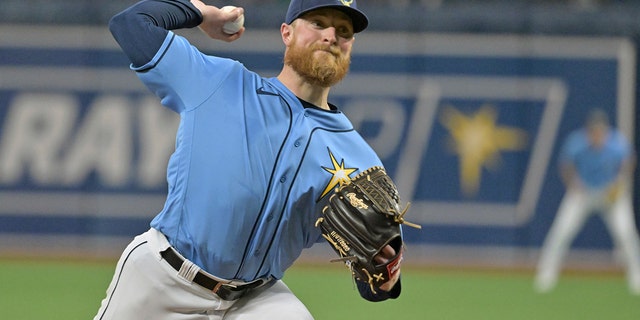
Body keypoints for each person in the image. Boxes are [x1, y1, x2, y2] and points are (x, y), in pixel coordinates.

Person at [95, 0, 403, 319]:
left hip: (254, 299)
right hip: (162, 278)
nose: (331, 35)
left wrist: (384, 275)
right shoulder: (219, 83)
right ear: (286, 33)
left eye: (344, 31)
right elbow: (131, 24)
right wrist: (200, 13)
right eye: (317, 23)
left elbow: (376, 279)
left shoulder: (360, 159)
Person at [534, 108, 640, 295]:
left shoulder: (617, 143)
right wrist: (574, 183)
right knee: (562, 231)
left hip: (610, 194)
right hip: (583, 193)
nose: (597, 135)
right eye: (593, 131)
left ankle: (636, 276)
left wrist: (619, 183)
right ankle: (546, 275)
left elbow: (629, 161)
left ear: (606, 131)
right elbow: (566, 165)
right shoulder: (577, 143)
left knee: (625, 233)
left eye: (600, 131)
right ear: (588, 131)